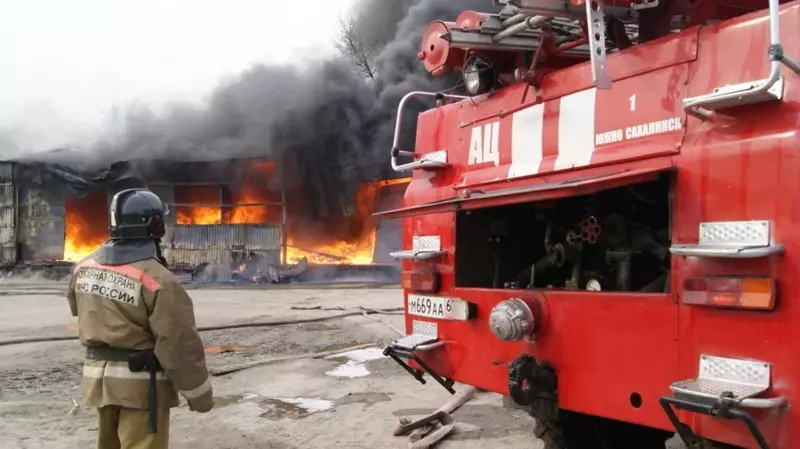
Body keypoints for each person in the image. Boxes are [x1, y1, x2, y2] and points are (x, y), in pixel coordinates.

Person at [66, 188, 214, 449]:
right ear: (155, 226)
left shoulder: (84, 267)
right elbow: (178, 345)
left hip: (99, 385)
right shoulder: (158, 279)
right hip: (140, 388)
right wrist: (199, 396)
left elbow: (78, 309)